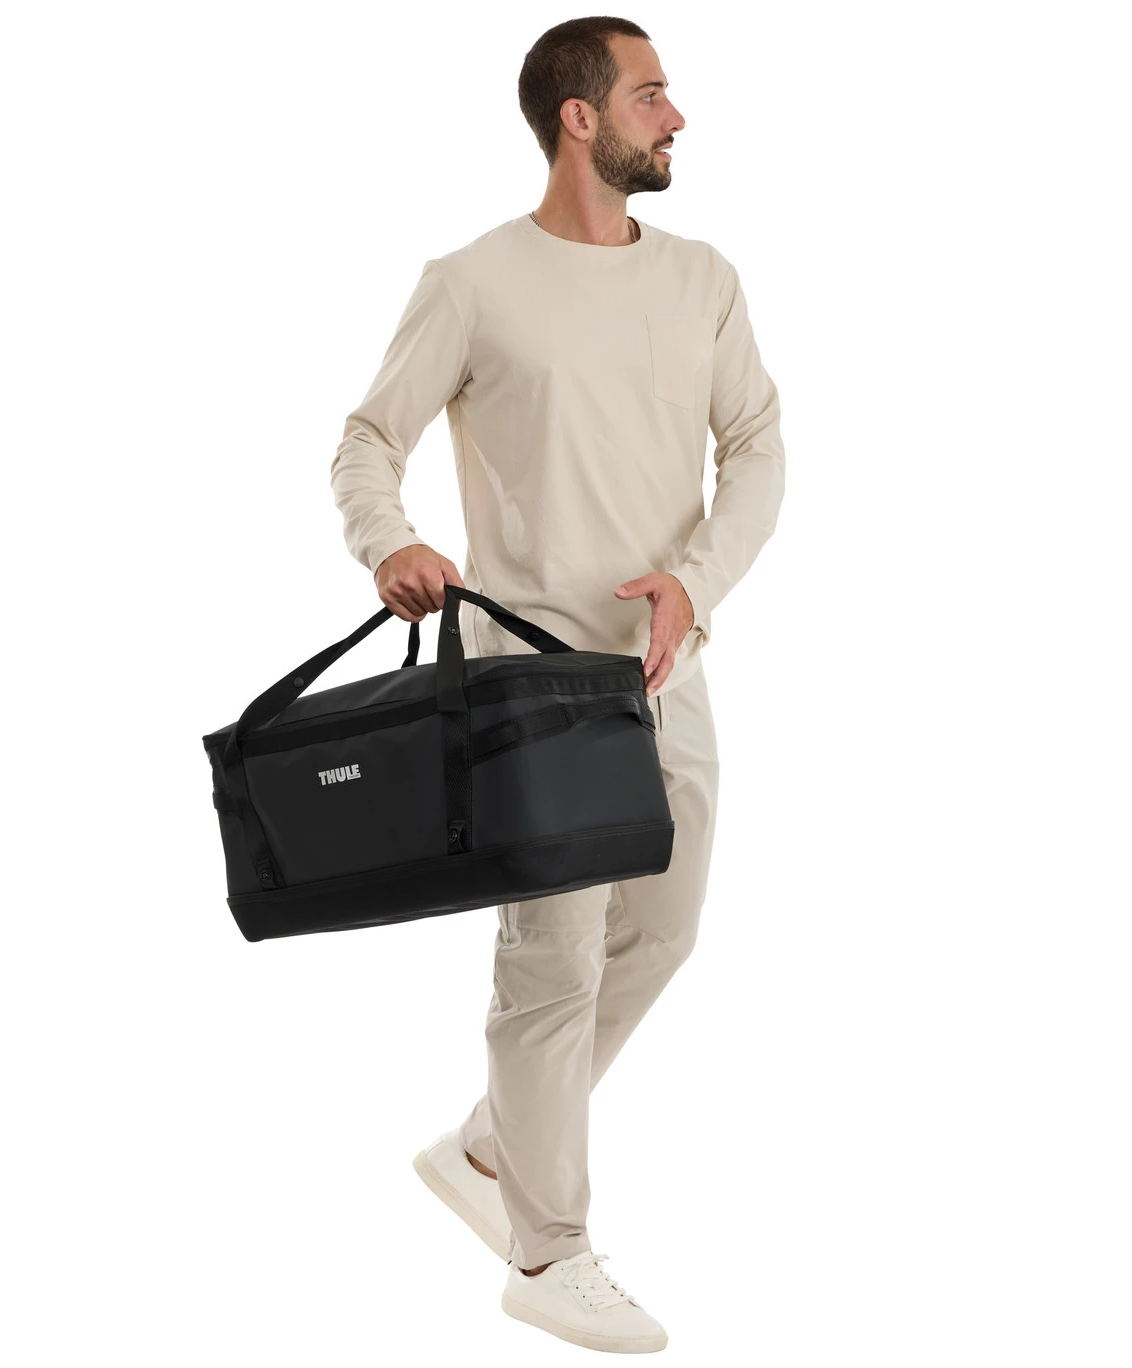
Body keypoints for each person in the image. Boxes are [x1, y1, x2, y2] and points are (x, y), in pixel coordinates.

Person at [330, 16, 784, 1354]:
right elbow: (368, 439)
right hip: (530, 687)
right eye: (651, 94)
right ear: (579, 119)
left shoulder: (702, 277)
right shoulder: (474, 283)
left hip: (665, 665)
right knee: (553, 963)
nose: (677, 117)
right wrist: (392, 540)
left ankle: (490, 1144)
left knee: (667, 929)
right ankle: (548, 1251)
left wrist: (694, 583)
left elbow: (758, 443)